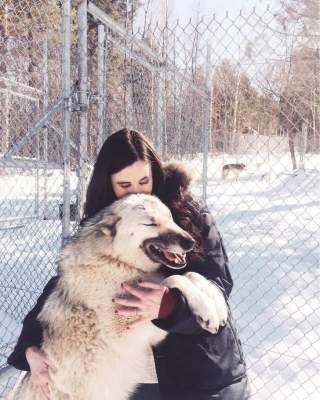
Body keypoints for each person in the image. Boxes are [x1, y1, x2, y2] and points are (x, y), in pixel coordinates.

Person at [7, 128, 249, 400]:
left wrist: (170, 303)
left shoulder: (188, 212)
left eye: (144, 181)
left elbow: (218, 283)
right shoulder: (107, 222)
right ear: (108, 183)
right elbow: (65, 288)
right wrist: (29, 348)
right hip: (129, 382)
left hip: (195, 376)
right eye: (124, 185)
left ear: (155, 175)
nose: (136, 192)